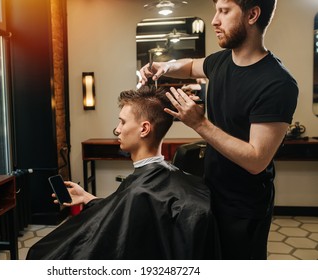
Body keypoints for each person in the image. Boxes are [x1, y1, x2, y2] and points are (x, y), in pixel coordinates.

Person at [139, 0, 298, 260]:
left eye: (224, 11)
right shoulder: (221, 62)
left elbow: (257, 159)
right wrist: (165, 67)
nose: (214, 20)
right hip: (210, 192)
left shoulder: (277, 83)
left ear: (253, 15)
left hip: (244, 208)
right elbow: (191, 65)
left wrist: (200, 124)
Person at [26, 86, 220, 260]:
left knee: (40, 253)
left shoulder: (140, 190)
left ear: (144, 129)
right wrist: (87, 198)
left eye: (122, 122)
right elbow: (128, 210)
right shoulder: (169, 179)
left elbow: (126, 217)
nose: (117, 130)